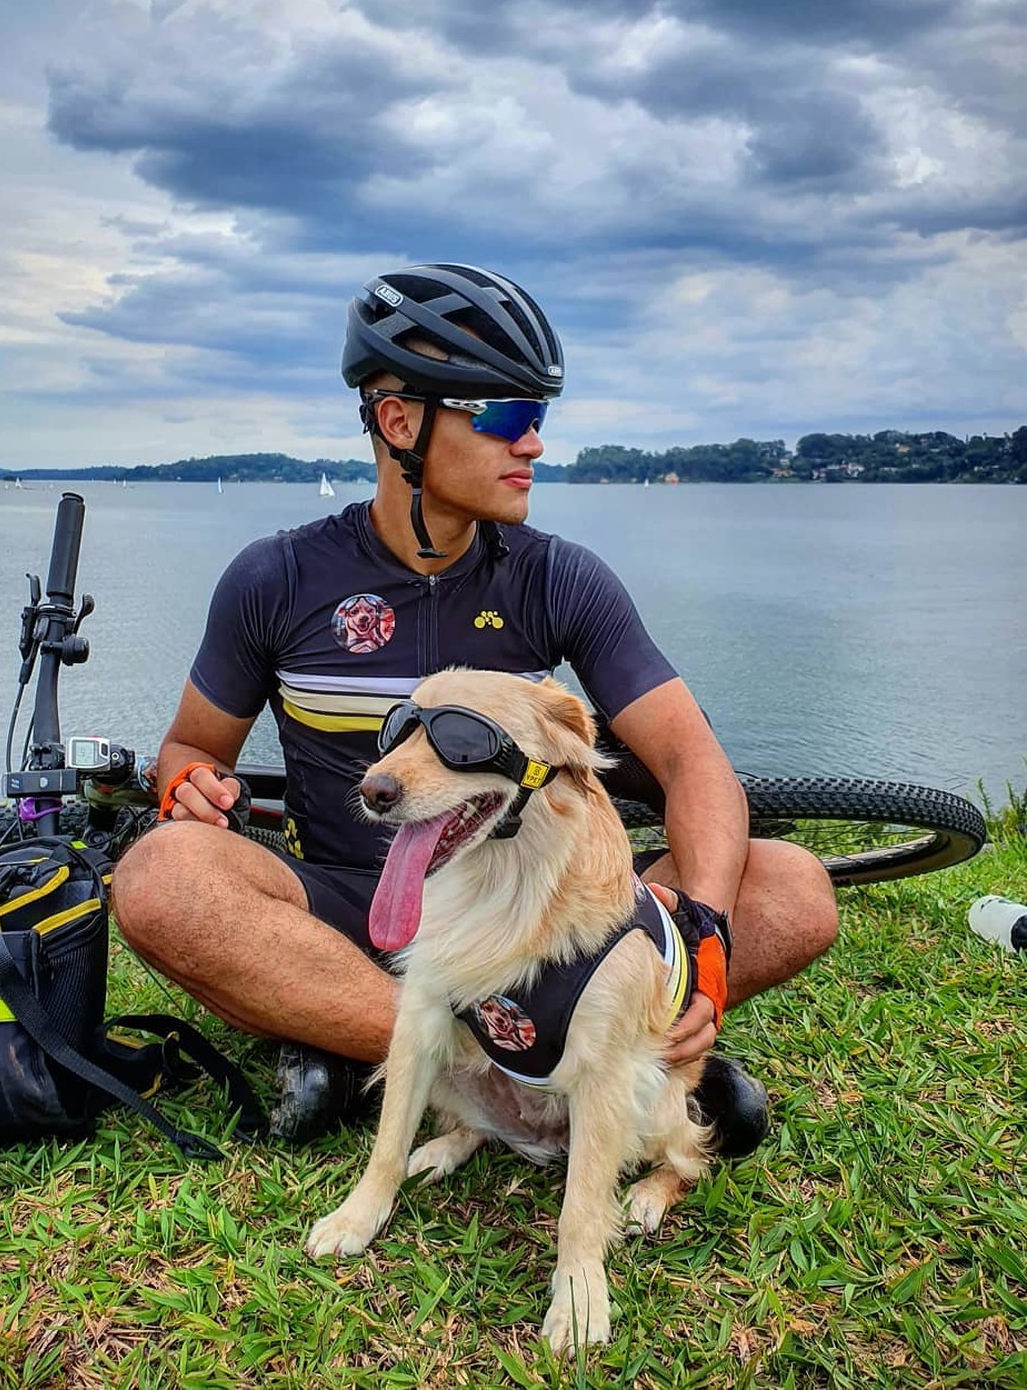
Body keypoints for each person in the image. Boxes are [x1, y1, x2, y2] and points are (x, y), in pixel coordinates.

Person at [111, 262, 838, 1147]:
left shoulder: (557, 576)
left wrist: (707, 937)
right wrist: (189, 786)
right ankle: (541, 1067)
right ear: (399, 421)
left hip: (526, 923)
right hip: (348, 908)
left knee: (793, 888)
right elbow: (190, 749)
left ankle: (367, 1049)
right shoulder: (279, 577)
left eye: (538, 417)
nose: (532, 443)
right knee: (160, 878)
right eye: (503, 415)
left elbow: (693, 762)